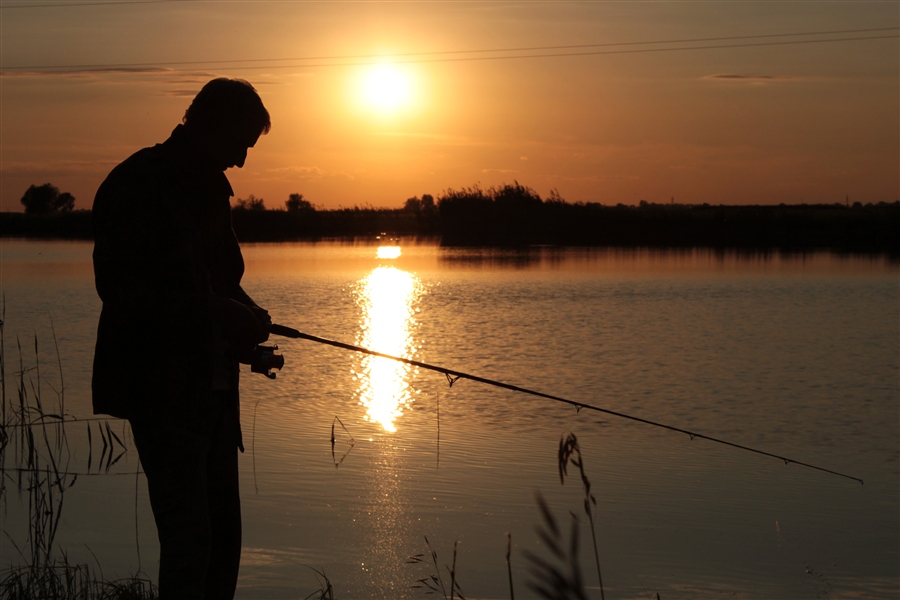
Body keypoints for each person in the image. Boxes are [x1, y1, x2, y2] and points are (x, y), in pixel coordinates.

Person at [92, 78, 273, 599]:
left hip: (215, 393)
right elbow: (122, 291)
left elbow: (216, 279)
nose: (241, 161)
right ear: (209, 124)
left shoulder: (212, 186)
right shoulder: (137, 182)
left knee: (224, 543)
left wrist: (245, 318)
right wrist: (217, 310)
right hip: (163, 393)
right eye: (240, 144)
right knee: (190, 542)